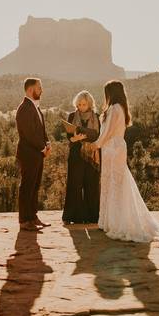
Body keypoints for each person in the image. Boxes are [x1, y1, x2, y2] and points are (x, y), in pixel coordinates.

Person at [94, 80, 159, 242]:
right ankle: (111, 220)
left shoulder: (114, 108)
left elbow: (108, 132)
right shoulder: (120, 108)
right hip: (115, 147)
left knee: (114, 182)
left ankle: (116, 222)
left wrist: (95, 145)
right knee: (115, 181)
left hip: (112, 148)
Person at [16, 78, 51, 232]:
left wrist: (48, 143)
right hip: (29, 153)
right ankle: (24, 220)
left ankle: (33, 217)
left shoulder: (35, 107)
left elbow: (40, 130)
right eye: (39, 87)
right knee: (27, 186)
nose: (41, 90)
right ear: (30, 90)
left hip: (37, 153)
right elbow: (29, 134)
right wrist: (43, 148)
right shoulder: (24, 108)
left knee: (35, 186)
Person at [62, 90, 101, 224]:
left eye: (84, 104)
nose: (81, 107)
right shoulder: (72, 115)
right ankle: (72, 217)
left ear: (89, 104)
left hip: (92, 155)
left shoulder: (96, 117)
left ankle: (92, 217)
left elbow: (99, 136)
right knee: (74, 185)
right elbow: (69, 136)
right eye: (78, 104)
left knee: (92, 186)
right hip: (76, 155)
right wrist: (75, 138)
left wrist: (90, 138)